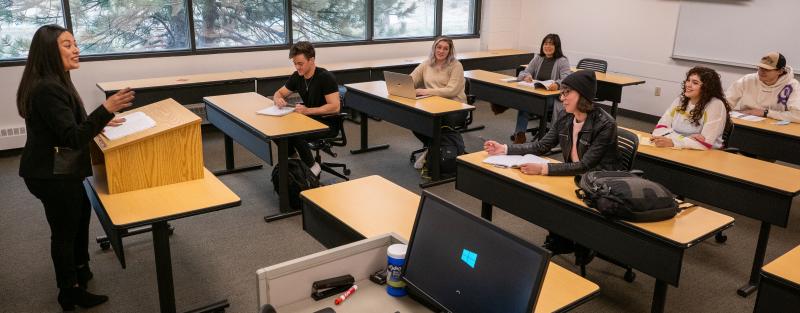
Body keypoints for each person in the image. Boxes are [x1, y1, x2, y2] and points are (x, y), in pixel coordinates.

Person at [17, 25, 134, 310]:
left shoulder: (57, 80)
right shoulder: (46, 88)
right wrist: (105, 110)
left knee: (81, 216)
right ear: (49, 51)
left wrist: (104, 120)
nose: (76, 49)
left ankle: (81, 268)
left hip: (62, 168)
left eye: (75, 43)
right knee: (65, 231)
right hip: (50, 173)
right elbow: (73, 138)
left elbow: (74, 122)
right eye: (67, 45)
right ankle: (68, 290)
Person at [484, 69, 620, 256]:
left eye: (567, 93)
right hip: (575, 177)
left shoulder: (605, 124)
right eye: (562, 92)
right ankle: (562, 240)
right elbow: (541, 146)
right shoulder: (565, 118)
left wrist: (543, 168)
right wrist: (504, 149)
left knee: (550, 189)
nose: (562, 98)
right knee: (545, 196)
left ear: (583, 95)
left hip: (598, 184)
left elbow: (585, 165)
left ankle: (582, 241)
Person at [273, 41, 341, 176]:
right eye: (295, 63)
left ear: (312, 60)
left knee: (296, 134)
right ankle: (295, 159)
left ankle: (313, 166)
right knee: (277, 131)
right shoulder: (297, 76)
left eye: (300, 64)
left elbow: (335, 107)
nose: (297, 67)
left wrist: (307, 111)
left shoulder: (325, 77)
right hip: (309, 119)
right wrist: (278, 99)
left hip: (327, 123)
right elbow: (279, 93)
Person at [408, 37, 468, 169]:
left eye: (445, 48)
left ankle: (432, 151)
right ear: (434, 48)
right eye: (439, 47)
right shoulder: (426, 64)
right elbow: (411, 79)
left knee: (435, 122)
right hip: (433, 104)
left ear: (450, 51)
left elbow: (452, 91)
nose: (441, 51)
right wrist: (404, 85)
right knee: (414, 120)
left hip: (455, 107)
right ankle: (432, 148)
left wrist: (425, 91)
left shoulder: (456, 65)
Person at [509, 34, 572, 144]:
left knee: (527, 102)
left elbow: (567, 79)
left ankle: (546, 140)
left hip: (554, 98)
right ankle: (520, 134)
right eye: (545, 44)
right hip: (537, 94)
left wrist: (557, 84)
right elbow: (524, 72)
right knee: (525, 101)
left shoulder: (562, 61)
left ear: (557, 46)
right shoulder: (538, 58)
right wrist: (526, 76)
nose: (547, 46)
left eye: (551, 44)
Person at [651, 66, 731, 150]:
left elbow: (705, 144)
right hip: (679, 148)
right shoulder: (680, 100)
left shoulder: (715, 105)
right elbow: (658, 130)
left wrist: (673, 140)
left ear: (707, 88)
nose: (688, 85)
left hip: (706, 155)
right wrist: (685, 139)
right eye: (688, 80)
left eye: (695, 83)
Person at [726, 52, 799, 122]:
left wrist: (766, 113)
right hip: (746, 123)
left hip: (776, 128)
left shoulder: (792, 85)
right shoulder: (747, 80)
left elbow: (797, 116)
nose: (761, 72)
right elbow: (726, 103)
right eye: (760, 67)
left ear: (780, 71)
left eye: (767, 69)